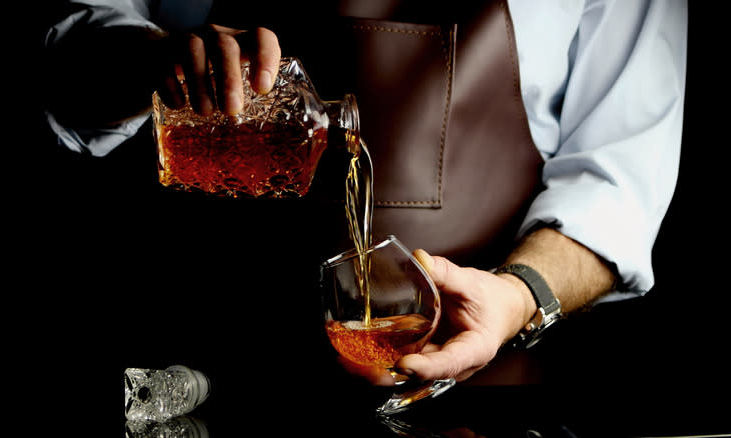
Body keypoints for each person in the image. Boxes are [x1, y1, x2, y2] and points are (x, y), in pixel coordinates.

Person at [43, 0, 687, 385]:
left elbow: (617, 182)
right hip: (200, 365)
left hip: (469, 395)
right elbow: (68, 47)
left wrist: (520, 297)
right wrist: (150, 62)